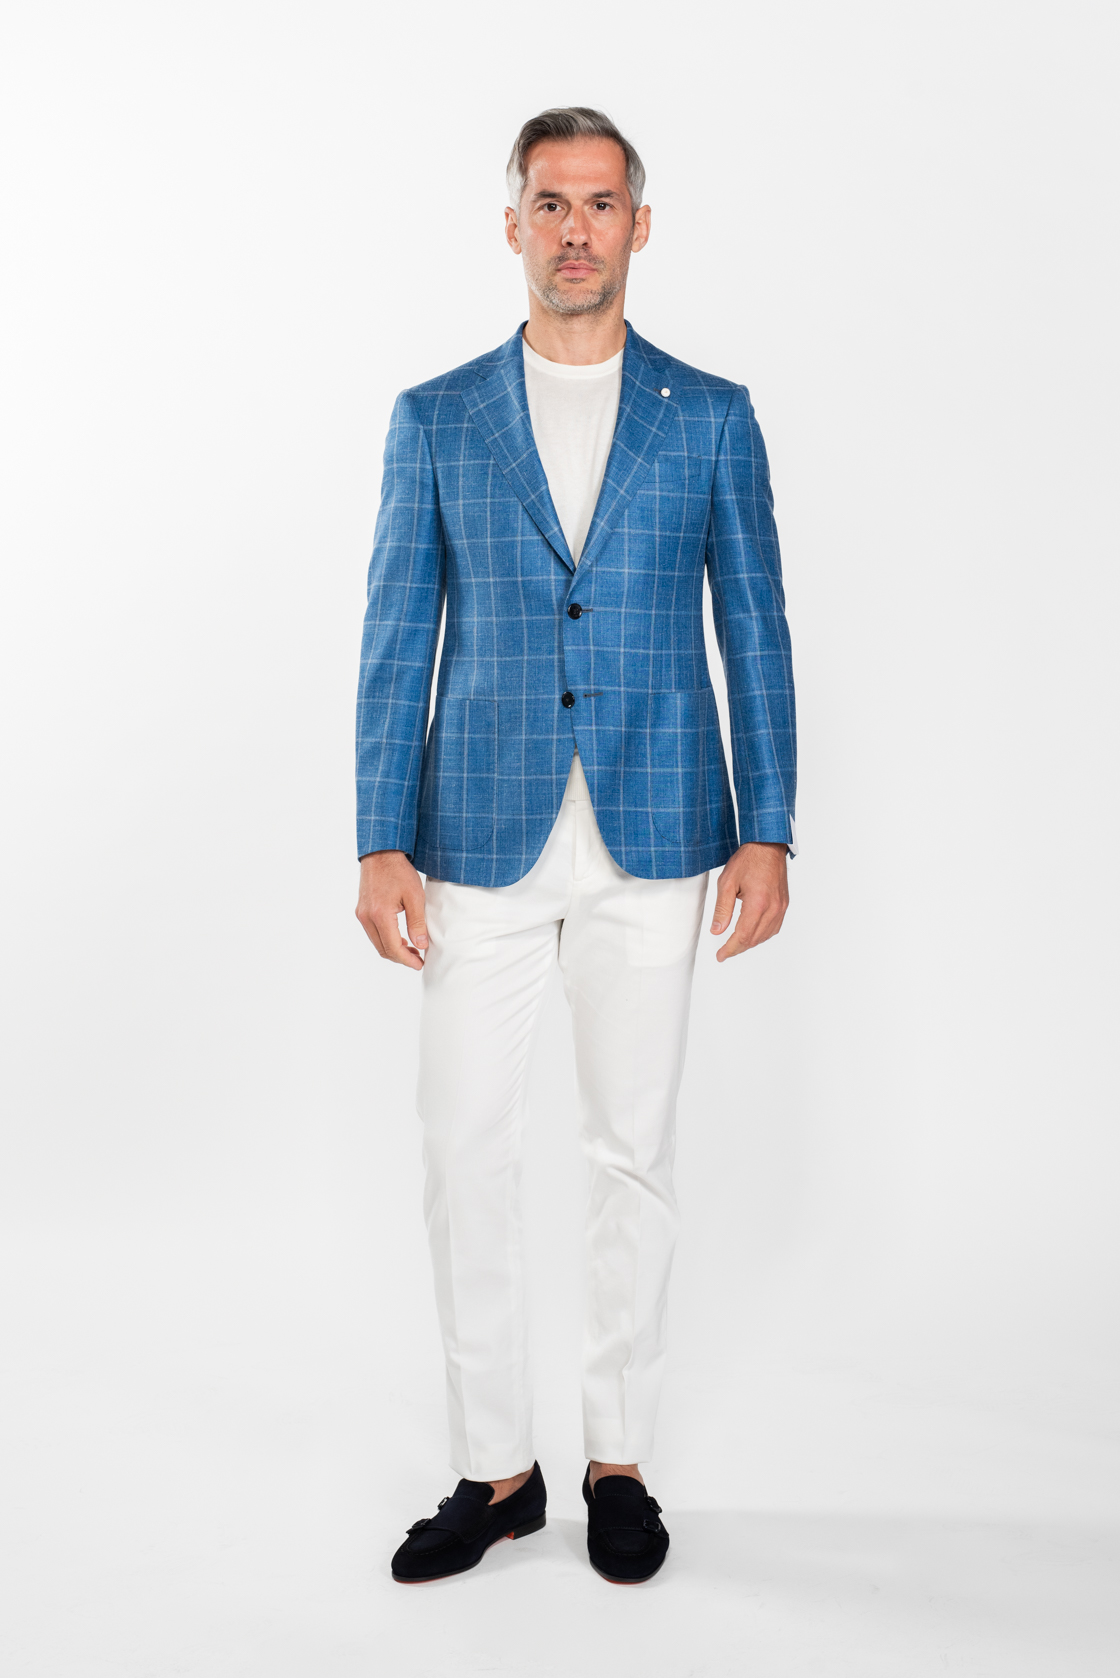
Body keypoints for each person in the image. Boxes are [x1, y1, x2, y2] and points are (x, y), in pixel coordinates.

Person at [355, 107, 796, 1585]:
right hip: (474, 832)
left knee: (632, 1151)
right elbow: (394, 636)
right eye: (550, 203)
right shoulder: (436, 416)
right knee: (462, 1145)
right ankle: (497, 1467)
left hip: (657, 826)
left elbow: (755, 628)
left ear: (639, 226)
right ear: (513, 226)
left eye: (602, 203)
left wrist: (769, 825)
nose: (576, 230)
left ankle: (617, 1458)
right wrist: (379, 838)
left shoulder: (711, 415)